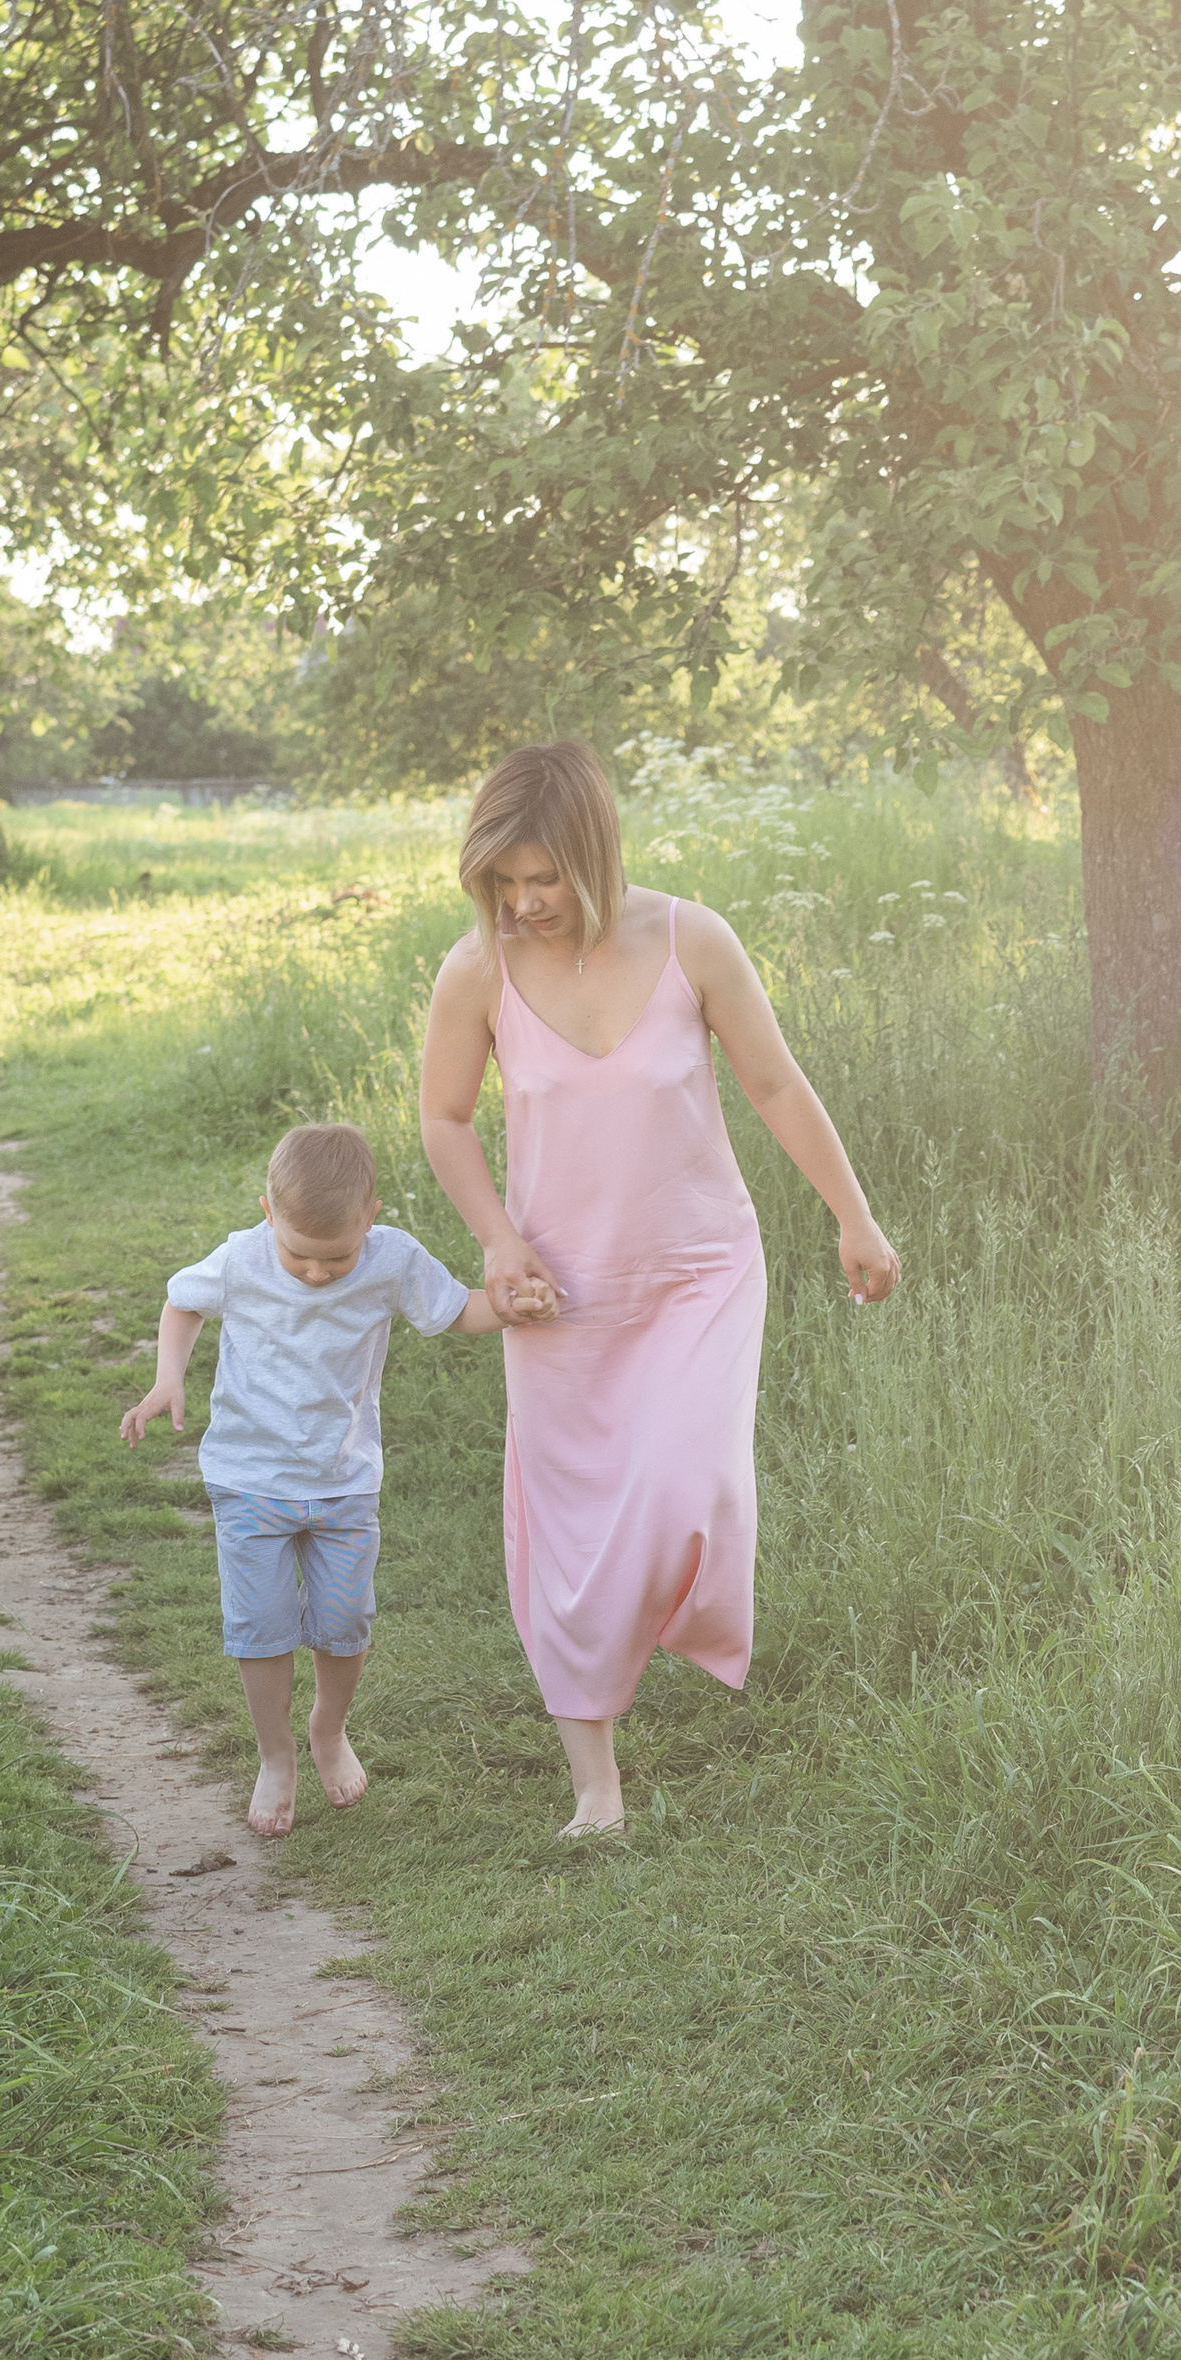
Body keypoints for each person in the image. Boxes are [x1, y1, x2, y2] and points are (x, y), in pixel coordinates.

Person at [420, 740, 899, 1837]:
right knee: (573, 1530)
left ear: (595, 853)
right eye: (506, 882)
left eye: (546, 877)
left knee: (694, 1488)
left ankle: (670, 1624)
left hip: (697, 1274)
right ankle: (597, 1787)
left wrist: (853, 1213)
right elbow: (443, 1117)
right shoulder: (478, 970)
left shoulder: (693, 940)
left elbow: (774, 1082)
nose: (527, 902)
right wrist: (496, 1241)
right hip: (560, 1292)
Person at [119, 1120, 546, 1837]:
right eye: (299, 1255)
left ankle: (328, 1727)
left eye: (337, 1257)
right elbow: (183, 1301)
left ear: (370, 1219)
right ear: (267, 1214)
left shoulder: (392, 1261)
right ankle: (275, 1752)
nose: (316, 1273)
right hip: (250, 1479)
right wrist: (168, 1377)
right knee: (259, 1627)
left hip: (345, 1480)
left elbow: (457, 1310)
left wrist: (507, 1306)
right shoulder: (243, 1259)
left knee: (346, 1620)